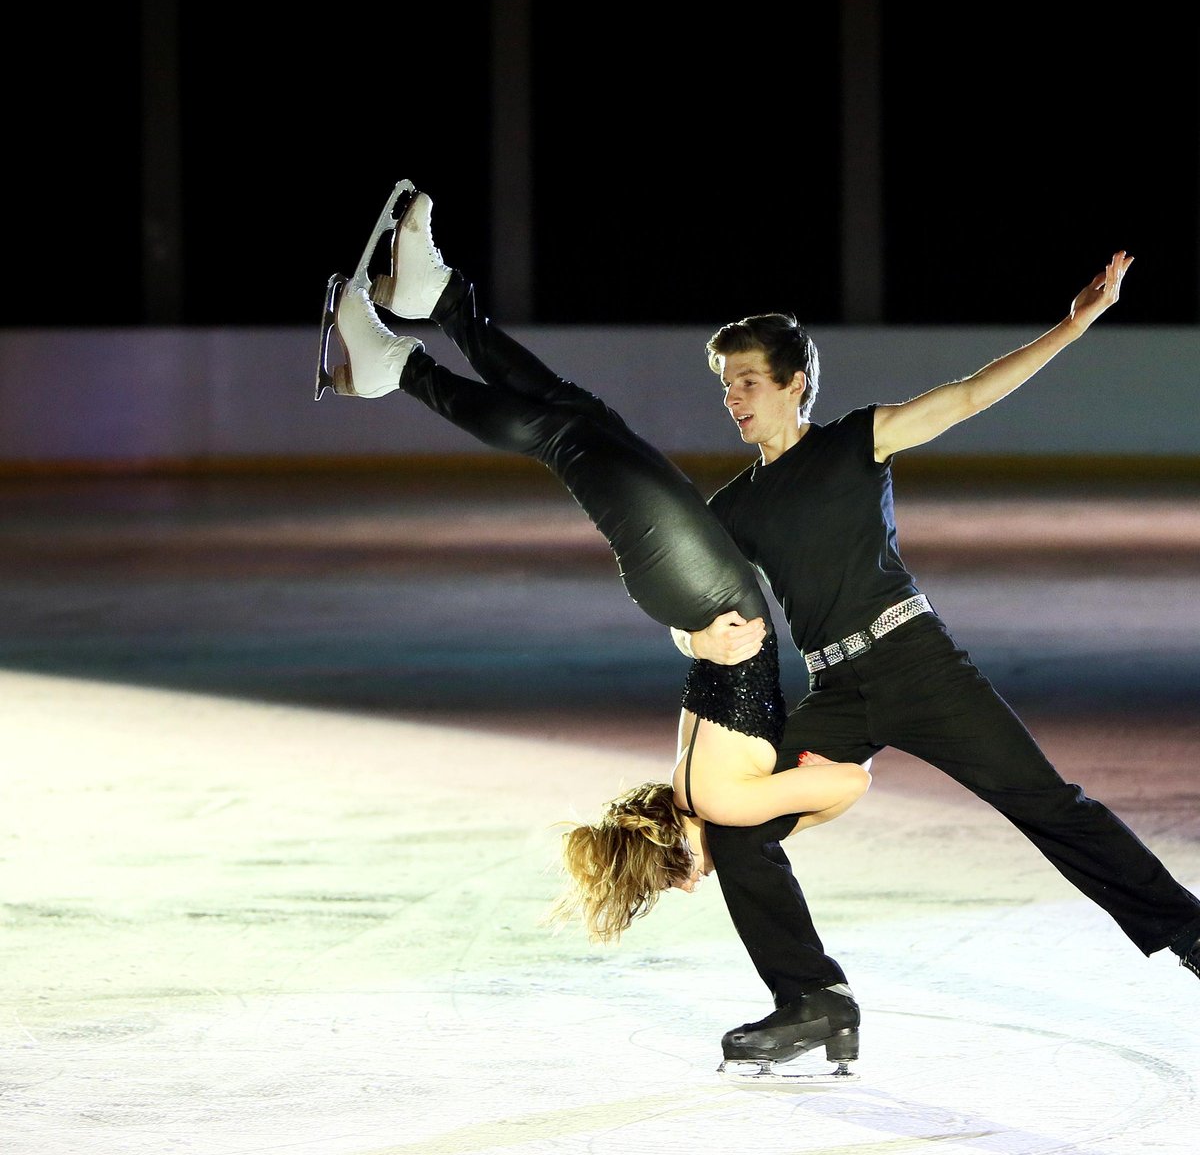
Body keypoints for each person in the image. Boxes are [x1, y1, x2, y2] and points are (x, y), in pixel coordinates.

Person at [313, 181, 871, 1067]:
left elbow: (849, 783)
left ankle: (399, 369)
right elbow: (714, 681)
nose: (697, 886)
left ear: (678, 856)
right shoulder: (710, 798)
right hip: (695, 598)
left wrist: (780, 806)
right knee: (584, 420)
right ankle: (440, 302)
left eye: (681, 876)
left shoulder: (720, 801)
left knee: (572, 438)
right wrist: (748, 818)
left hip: (700, 591)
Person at [667, 250, 1200, 1063]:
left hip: (916, 662)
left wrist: (1076, 322)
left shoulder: (856, 441)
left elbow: (971, 395)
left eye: (746, 380)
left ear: (793, 383)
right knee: (736, 824)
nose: (732, 397)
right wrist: (696, 636)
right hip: (836, 689)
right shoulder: (732, 508)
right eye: (726, 384)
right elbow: (687, 607)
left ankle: (1191, 933)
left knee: (1049, 805)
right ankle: (812, 997)